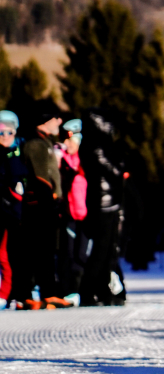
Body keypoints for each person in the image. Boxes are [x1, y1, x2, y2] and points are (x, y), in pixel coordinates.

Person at [13, 106, 65, 309]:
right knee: (36, 251)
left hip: (44, 204)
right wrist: (50, 199)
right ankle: (28, 295)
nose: (59, 122)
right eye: (55, 118)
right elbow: (41, 178)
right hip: (39, 206)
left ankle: (45, 293)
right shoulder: (36, 144)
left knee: (44, 251)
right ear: (44, 121)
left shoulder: (44, 143)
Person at [78, 109, 128, 307]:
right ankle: (88, 292)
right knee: (100, 251)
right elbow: (114, 171)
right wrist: (121, 160)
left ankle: (104, 290)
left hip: (110, 203)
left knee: (109, 252)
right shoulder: (95, 146)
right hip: (102, 205)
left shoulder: (100, 145)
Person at [54, 118, 89, 307]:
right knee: (67, 254)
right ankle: (69, 291)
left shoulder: (88, 160)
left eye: (71, 140)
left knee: (82, 255)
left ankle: (83, 289)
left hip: (86, 215)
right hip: (68, 214)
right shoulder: (62, 159)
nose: (67, 144)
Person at [0, 111, 25, 308]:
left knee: (11, 255)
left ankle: (12, 293)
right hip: (5, 211)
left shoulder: (21, 152)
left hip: (15, 213)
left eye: (8, 132)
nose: (4, 137)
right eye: (0, 133)